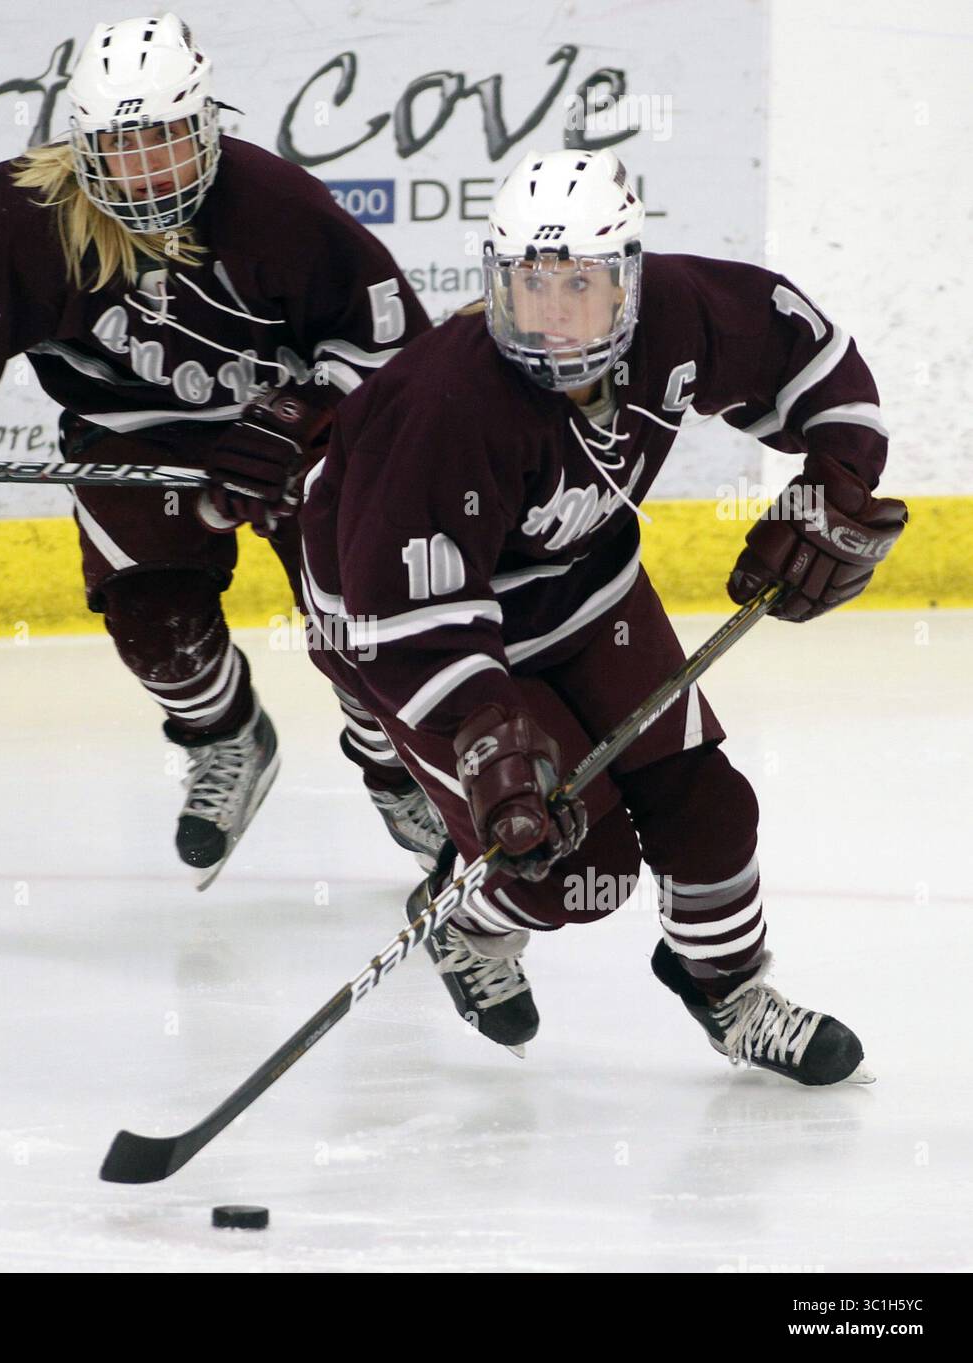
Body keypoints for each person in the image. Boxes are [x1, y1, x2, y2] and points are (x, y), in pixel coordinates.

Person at [299, 147, 907, 1081]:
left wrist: (839, 479)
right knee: (568, 866)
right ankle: (465, 922)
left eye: (579, 286)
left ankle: (730, 991)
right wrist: (486, 742)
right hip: (405, 629)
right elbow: (400, 615)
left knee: (708, 808)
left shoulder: (676, 317)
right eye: (530, 285)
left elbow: (806, 352)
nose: (552, 314)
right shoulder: (444, 406)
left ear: (627, 284)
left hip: (586, 591)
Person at [0, 12, 443, 888]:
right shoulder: (31, 221)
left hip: (290, 428)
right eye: (122, 146)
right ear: (83, 145)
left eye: (169, 141)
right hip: (127, 430)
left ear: (208, 128)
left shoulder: (279, 211)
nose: (147, 170)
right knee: (155, 630)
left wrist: (298, 419)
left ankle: (397, 765)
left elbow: (394, 352)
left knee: (363, 627)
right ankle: (227, 738)